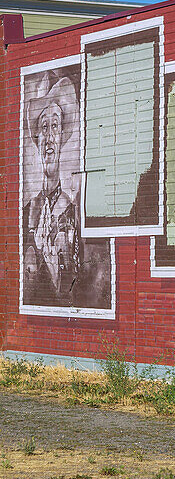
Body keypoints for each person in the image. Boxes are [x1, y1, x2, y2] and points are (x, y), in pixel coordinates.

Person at [23, 73, 82, 305]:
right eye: (44, 127)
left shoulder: (72, 210)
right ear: (37, 141)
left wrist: (53, 268)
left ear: (61, 138)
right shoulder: (28, 211)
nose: (48, 137)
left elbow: (75, 283)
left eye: (54, 126)